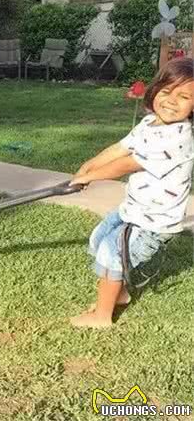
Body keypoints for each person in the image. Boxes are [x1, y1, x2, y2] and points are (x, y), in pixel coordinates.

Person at [70, 57, 194, 329]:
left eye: (184, 96)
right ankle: (121, 292)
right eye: (166, 91)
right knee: (99, 239)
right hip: (135, 209)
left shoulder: (178, 138)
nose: (172, 101)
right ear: (154, 91)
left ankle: (102, 316)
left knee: (111, 254)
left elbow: (128, 164)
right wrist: (88, 165)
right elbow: (121, 148)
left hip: (154, 221)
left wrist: (90, 177)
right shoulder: (150, 123)